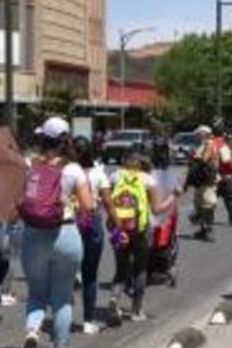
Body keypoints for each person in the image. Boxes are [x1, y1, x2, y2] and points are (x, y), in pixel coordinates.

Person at [18, 117, 94, 348]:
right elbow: (88, 206)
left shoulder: (29, 164)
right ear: (66, 140)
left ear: (42, 138)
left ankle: (32, 331)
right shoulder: (73, 169)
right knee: (62, 298)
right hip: (65, 234)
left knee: (37, 293)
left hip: (33, 234)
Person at [106, 153, 177, 324]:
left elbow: (107, 201)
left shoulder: (115, 176)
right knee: (140, 268)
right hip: (141, 230)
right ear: (142, 165)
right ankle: (136, 310)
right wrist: (173, 196)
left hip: (119, 228)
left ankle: (114, 298)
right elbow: (157, 210)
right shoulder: (148, 180)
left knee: (121, 269)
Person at [73, 137, 110, 335]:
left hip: (69, 223)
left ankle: (63, 316)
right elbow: (108, 201)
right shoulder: (98, 173)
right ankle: (88, 321)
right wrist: (115, 223)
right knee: (90, 274)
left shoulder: (67, 171)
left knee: (63, 274)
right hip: (92, 223)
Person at [185, 125, 220, 242]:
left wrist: (194, 157)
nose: (197, 136)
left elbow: (204, 159)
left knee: (208, 203)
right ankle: (203, 229)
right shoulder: (203, 144)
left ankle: (208, 229)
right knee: (199, 204)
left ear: (204, 134)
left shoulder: (209, 144)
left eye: (199, 134)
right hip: (201, 179)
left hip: (207, 178)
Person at [213, 128, 232, 226]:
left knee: (211, 199)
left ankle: (206, 218)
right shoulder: (223, 146)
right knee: (230, 199)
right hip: (225, 176)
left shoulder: (211, 144)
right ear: (223, 135)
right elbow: (226, 161)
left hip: (213, 177)